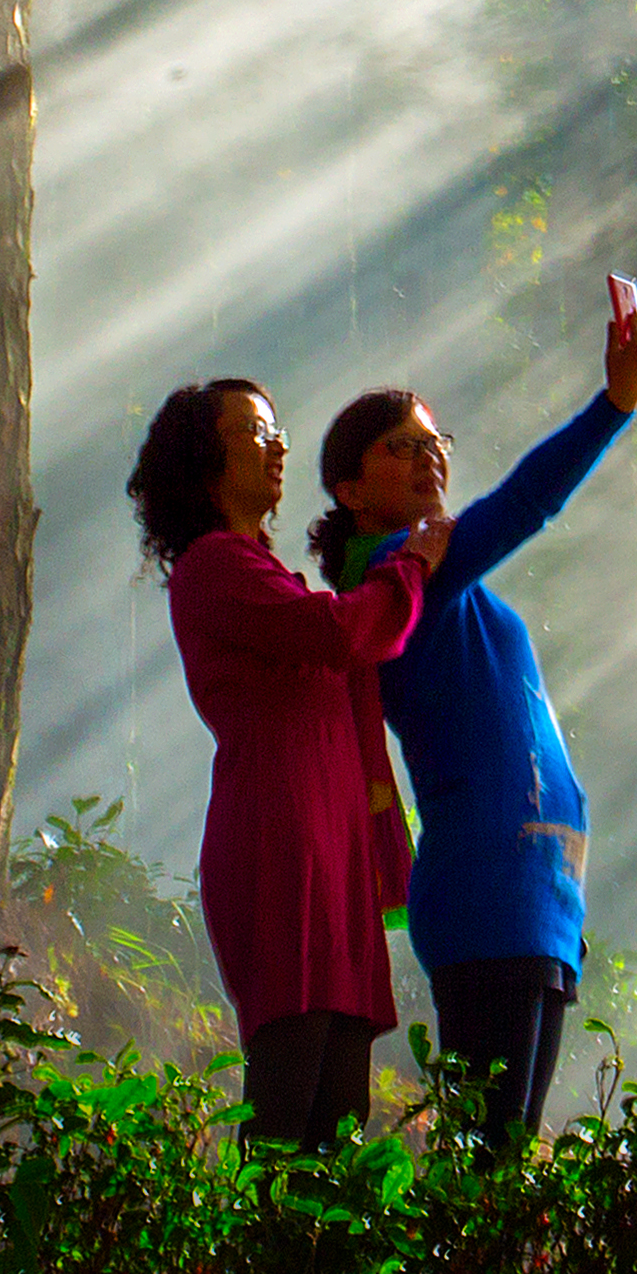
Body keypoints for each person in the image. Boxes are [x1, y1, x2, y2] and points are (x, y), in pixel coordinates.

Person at [311, 276, 637, 1140]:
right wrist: (612, 406)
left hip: (536, 897)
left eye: (435, 441)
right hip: (485, 895)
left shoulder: (438, 573)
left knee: (505, 1166)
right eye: (399, 447)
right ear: (352, 491)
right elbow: (523, 506)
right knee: (489, 1167)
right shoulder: (394, 574)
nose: (427, 455)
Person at [133, 375, 445, 1147]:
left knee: (340, 1107)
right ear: (205, 458)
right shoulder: (213, 567)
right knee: (288, 1093)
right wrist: (412, 568)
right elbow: (339, 634)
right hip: (279, 845)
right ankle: (254, 1265)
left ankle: (308, 1268)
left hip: (328, 852)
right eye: (252, 430)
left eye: (276, 431)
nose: (276, 446)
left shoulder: (265, 570)